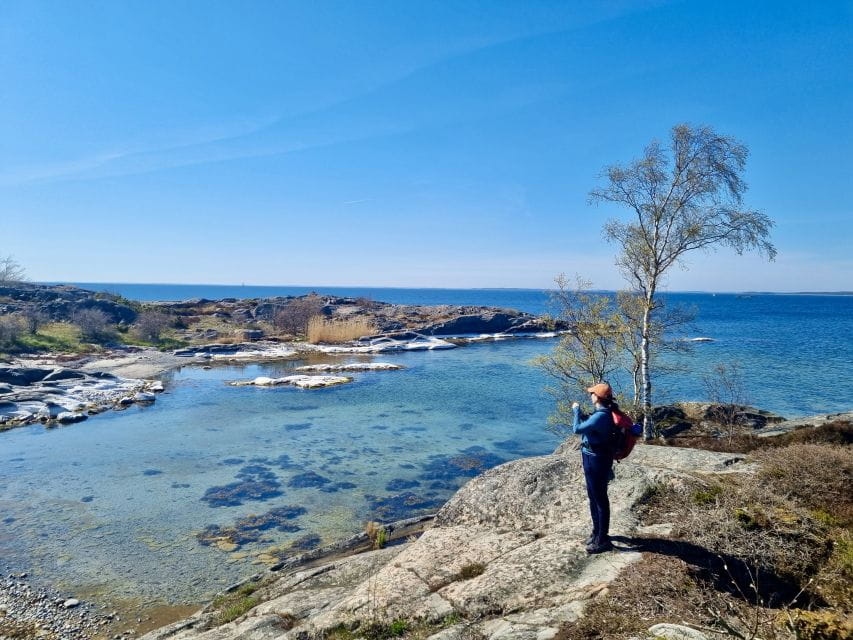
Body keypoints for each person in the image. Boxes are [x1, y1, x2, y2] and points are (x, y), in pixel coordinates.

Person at [572, 382, 616, 554]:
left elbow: (576, 429)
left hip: (597, 460)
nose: (590, 395)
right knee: (593, 496)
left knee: (600, 499)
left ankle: (603, 539)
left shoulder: (601, 416)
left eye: (592, 393)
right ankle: (597, 532)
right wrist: (583, 415)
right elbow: (590, 426)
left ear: (597, 397)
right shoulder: (600, 414)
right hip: (591, 457)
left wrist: (576, 411)